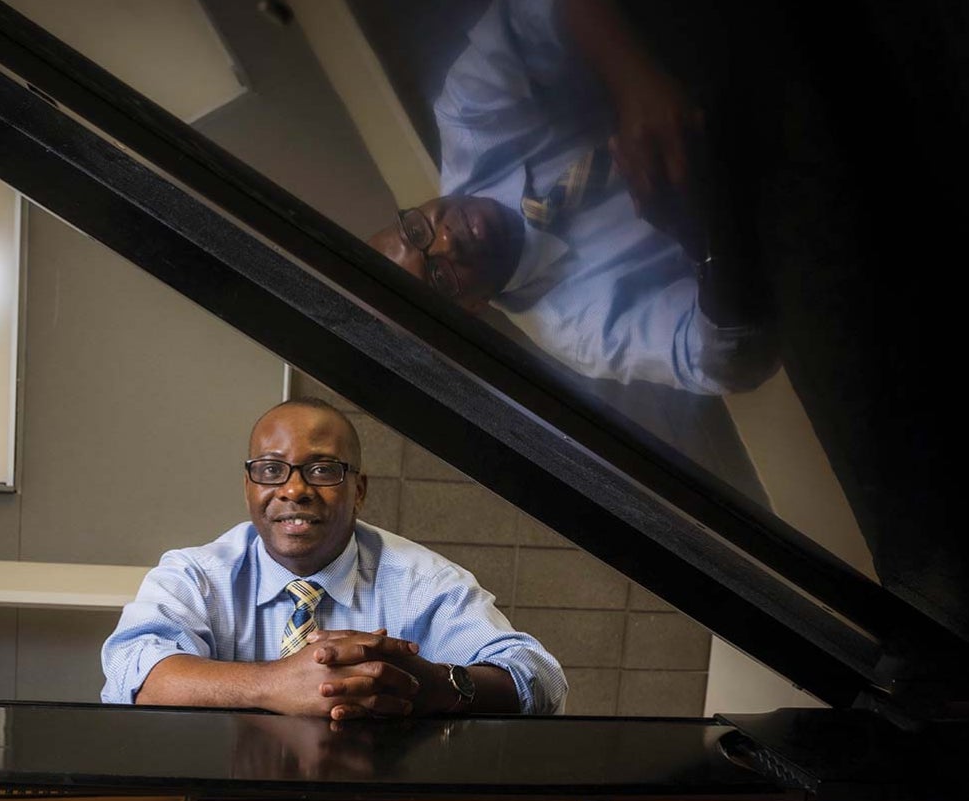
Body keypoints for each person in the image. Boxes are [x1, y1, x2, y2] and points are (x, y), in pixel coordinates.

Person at [368, 0, 778, 396]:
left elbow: (538, 8)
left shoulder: (467, 115)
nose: (446, 242)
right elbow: (729, 363)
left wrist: (636, 84)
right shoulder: (579, 331)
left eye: (416, 231)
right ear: (471, 307)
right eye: (439, 277)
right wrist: (703, 234)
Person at [101, 399, 566, 719]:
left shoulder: (423, 580)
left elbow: (540, 678)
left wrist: (434, 686)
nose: (294, 489)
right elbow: (134, 672)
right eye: (270, 470)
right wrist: (275, 685)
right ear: (249, 489)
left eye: (322, 470)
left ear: (358, 490)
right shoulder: (196, 575)